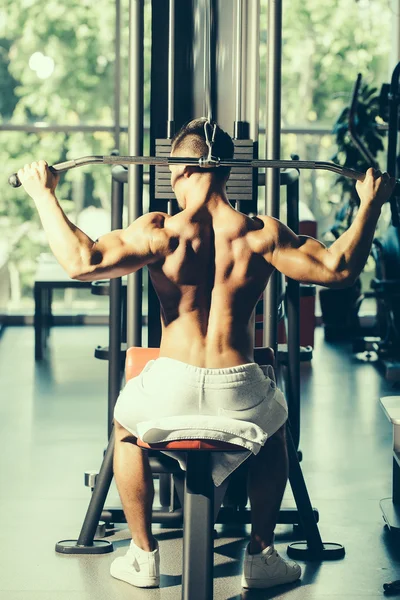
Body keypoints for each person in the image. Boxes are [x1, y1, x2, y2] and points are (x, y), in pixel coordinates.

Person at [18, 118, 395, 591]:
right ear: (230, 172)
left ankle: (143, 554)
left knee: (125, 428)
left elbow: (82, 261)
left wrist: (42, 194)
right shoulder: (260, 234)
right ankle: (261, 554)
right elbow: (338, 268)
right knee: (276, 428)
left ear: (176, 172)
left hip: (171, 383)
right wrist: (370, 205)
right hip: (238, 385)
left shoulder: (161, 231)